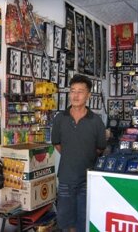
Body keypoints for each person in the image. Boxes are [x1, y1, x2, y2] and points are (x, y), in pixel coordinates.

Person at [51, 75, 107, 232]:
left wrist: (83, 156)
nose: (75, 95)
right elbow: (57, 143)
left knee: (84, 219)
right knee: (65, 221)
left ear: (88, 95)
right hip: (66, 178)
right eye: (72, 91)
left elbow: (100, 148)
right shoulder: (60, 118)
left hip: (87, 179)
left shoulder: (96, 121)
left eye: (80, 92)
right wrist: (72, 155)